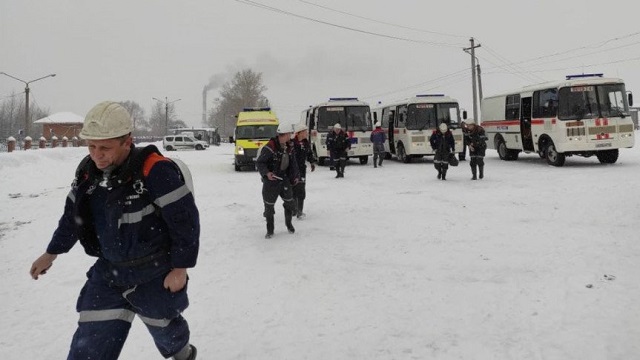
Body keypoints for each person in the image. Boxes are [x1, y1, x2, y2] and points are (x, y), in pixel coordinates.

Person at [29, 101, 199, 360]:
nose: (97, 155)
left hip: (153, 272)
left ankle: (184, 355)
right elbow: (71, 218)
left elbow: (184, 221)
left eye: (105, 147)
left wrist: (180, 268)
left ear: (127, 141)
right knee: (89, 344)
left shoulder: (155, 170)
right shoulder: (88, 174)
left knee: (166, 330)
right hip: (109, 273)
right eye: (92, 147)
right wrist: (51, 253)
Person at [256, 125, 300, 238]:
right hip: (271, 182)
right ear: (284, 135)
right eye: (289, 134)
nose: (290, 136)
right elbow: (260, 162)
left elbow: (293, 163)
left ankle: (289, 224)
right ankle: (270, 230)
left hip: (284, 180)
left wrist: (295, 176)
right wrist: (267, 173)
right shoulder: (270, 147)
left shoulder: (289, 147)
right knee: (269, 208)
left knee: (289, 203)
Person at [292, 123, 316, 219]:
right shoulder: (292, 143)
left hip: (302, 170)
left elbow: (309, 153)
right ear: (299, 133)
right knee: (293, 190)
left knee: (301, 191)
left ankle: (299, 211)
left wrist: (312, 162)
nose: (306, 133)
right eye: (305, 131)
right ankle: (294, 209)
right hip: (292, 170)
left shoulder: (306, 142)